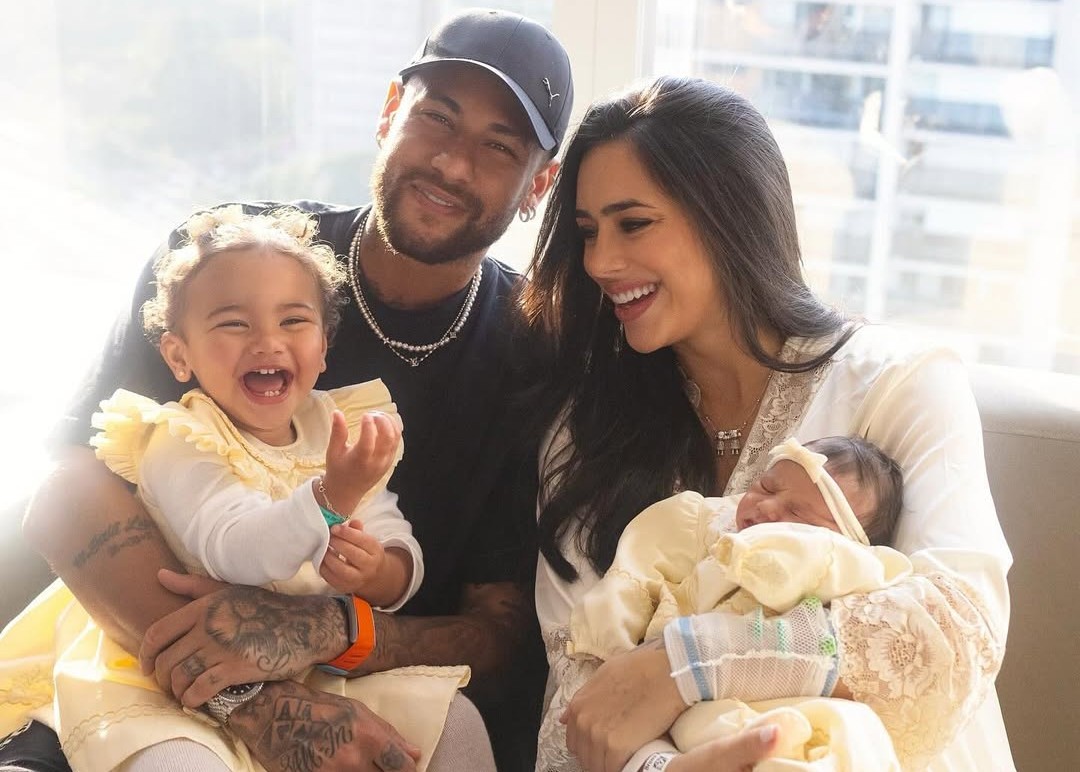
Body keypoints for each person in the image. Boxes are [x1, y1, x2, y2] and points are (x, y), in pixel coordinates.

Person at [3, 8, 581, 772]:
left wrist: (332, 629)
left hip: (364, 685)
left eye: (498, 146)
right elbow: (66, 490)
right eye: (436, 117)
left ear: (539, 185)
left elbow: (502, 632)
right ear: (388, 113)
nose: (451, 162)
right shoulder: (226, 261)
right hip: (137, 659)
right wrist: (260, 702)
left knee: (462, 733)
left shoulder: (535, 353)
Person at [521, 76, 1013, 772]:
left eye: (633, 224)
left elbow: (957, 636)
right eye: (588, 233)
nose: (600, 262)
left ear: (729, 215)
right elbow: (576, 702)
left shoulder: (900, 383)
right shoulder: (585, 435)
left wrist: (687, 665)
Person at [0, 206, 482, 771]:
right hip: (168, 675)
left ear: (325, 346)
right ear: (179, 355)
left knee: (457, 720)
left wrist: (384, 571)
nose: (267, 342)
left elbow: (388, 526)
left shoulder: (334, 427)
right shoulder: (181, 438)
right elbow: (233, 548)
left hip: (305, 665)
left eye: (293, 321)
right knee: (181, 763)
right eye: (233, 324)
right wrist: (329, 498)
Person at [559, 436, 912, 771]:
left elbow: (880, 599)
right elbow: (634, 573)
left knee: (856, 730)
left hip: (796, 693)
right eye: (767, 487)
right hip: (691, 697)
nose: (767, 506)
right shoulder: (706, 526)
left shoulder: (849, 564)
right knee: (700, 729)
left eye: (798, 513)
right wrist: (613, 649)